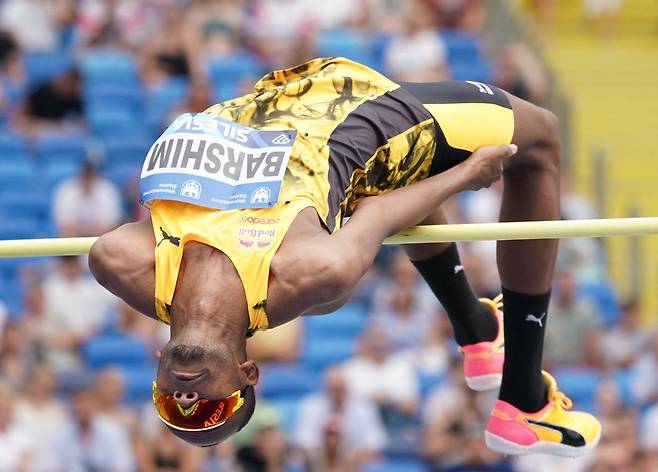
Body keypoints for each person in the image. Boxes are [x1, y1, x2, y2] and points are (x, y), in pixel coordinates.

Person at [89, 56, 601, 453]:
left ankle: (477, 331)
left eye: (172, 406)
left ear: (156, 365)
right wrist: (467, 176)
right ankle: (524, 402)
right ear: (249, 374)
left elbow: (126, 230)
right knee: (540, 137)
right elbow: (379, 212)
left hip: (269, 103)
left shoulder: (123, 264)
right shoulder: (307, 274)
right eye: (209, 410)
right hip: (356, 124)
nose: (187, 399)